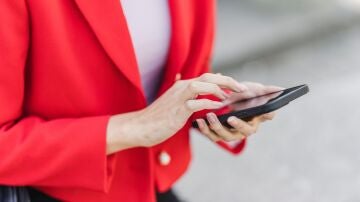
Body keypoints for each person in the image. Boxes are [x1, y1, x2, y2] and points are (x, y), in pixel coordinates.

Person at [0, 0, 281, 201]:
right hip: (56, 191)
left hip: (153, 183)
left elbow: (179, 77)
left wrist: (220, 103)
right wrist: (135, 126)